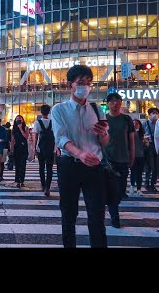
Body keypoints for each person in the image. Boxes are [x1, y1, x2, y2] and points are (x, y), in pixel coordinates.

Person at [51, 65, 109, 248]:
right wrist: (80, 154)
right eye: (81, 83)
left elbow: (105, 142)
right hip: (70, 165)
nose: (86, 87)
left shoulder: (97, 109)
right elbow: (61, 138)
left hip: (95, 167)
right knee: (69, 214)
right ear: (70, 84)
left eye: (89, 83)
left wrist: (104, 134)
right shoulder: (59, 110)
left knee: (97, 215)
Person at [103, 92, 135, 229]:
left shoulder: (127, 119)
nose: (115, 103)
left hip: (123, 159)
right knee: (112, 189)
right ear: (108, 104)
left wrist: (132, 156)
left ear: (121, 103)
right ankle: (114, 217)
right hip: (108, 160)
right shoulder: (103, 119)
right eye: (112, 101)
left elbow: (132, 140)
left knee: (121, 190)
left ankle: (114, 205)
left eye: (117, 101)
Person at [32, 104, 55, 196]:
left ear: (41, 112)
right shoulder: (52, 122)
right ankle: (48, 187)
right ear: (49, 112)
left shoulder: (37, 123)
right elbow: (55, 136)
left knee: (41, 167)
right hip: (50, 148)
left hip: (40, 148)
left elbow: (35, 136)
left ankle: (43, 185)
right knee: (49, 168)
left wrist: (34, 148)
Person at [10, 115, 29, 188]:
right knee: (17, 165)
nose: (18, 120)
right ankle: (17, 181)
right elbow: (12, 140)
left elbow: (26, 137)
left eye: (20, 119)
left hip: (24, 147)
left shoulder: (25, 127)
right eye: (17, 119)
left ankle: (22, 180)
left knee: (23, 164)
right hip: (16, 147)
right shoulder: (13, 129)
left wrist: (21, 129)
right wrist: (11, 149)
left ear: (23, 120)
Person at [143, 107, 159, 192]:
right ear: (149, 115)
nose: (155, 115)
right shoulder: (145, 124)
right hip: (148, 146)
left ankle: (152, 184)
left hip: (157, 147)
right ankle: (146, 182)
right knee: (149, 166)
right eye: (153, 113)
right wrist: (145, 138)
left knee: (156, 166)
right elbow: (141, 135)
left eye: (156, 113)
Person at [130, 119, 146, 196]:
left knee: (139, 173)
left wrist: (146, 142)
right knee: (133, 172)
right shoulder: (130, 133)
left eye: (136, 123)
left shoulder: (142, 134)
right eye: (133, 123)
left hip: (141, 156)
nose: (135, 125)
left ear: (139, 125)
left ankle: (139, 189)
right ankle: (132, 186)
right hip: (133, 156)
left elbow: (145, 146)